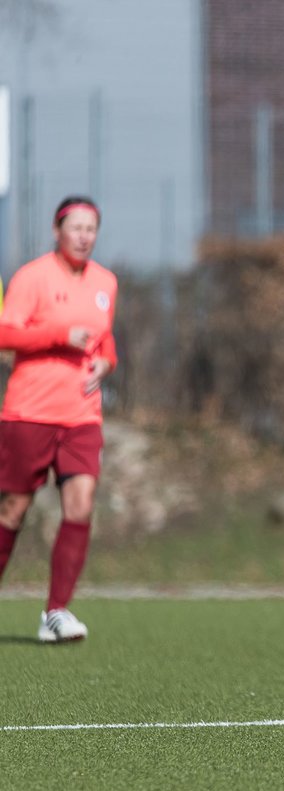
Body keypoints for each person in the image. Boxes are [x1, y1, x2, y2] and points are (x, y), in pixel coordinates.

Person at [0, 196, 117, 642]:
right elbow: (5, 333)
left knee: (82, 503)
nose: (84, 236)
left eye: (92, 229)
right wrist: (57, 335)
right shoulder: (32, 277)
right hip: (29, 412)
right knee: (13, 510)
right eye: (76, 227)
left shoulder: (106, 281)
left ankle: (56, 612)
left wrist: (108, 360)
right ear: (57, 230)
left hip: (82, 416)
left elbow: (105, 340)